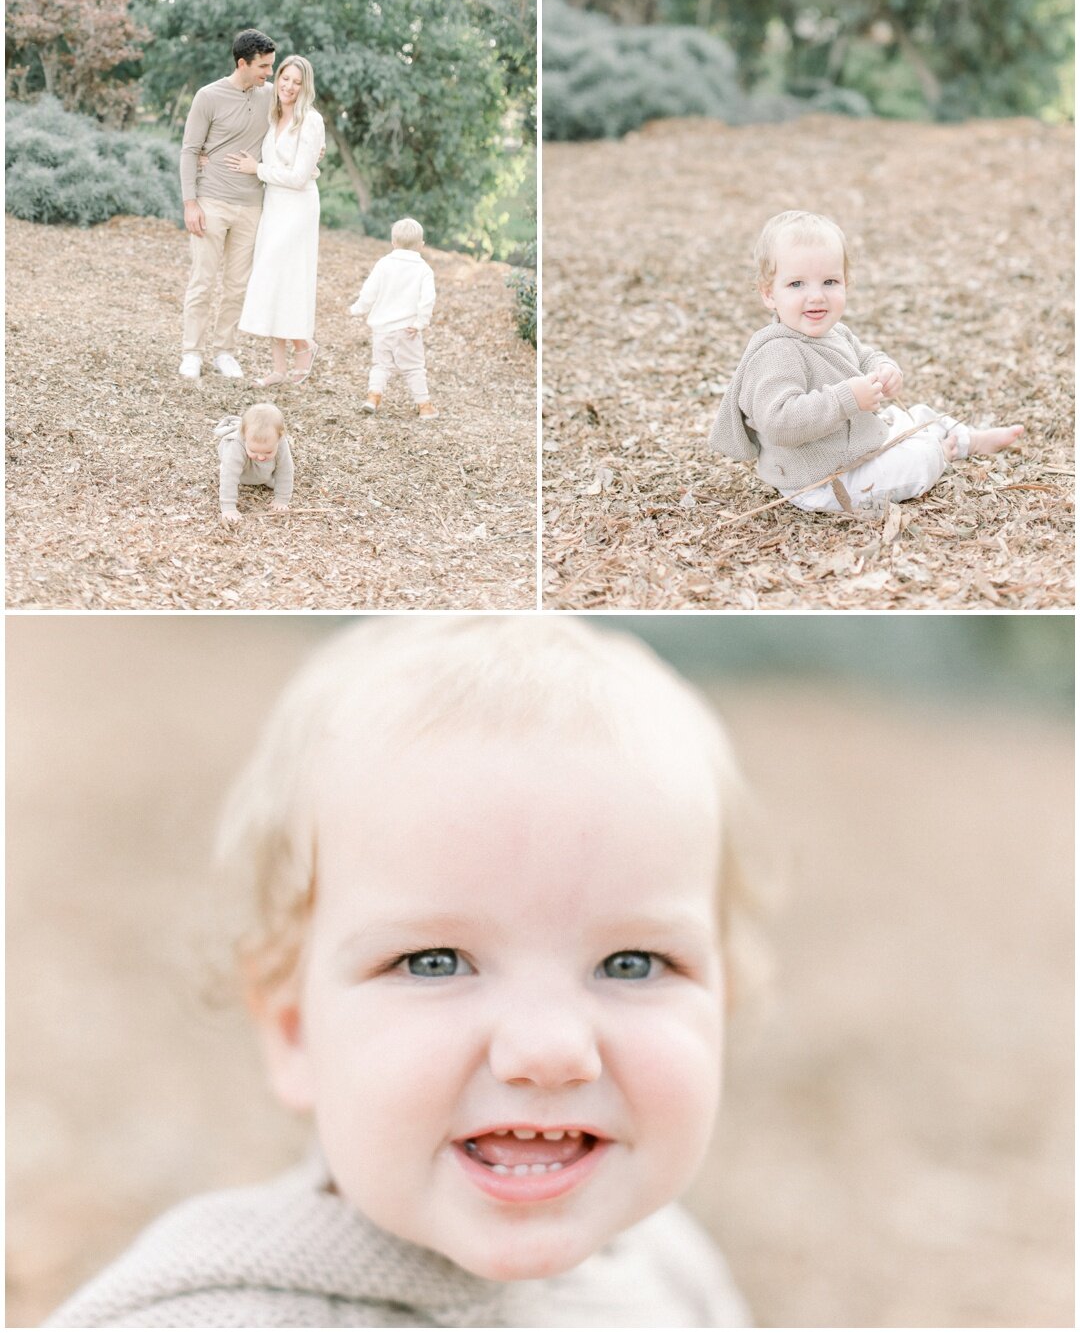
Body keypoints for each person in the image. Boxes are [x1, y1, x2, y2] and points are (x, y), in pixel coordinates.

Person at [48, 614, 759, 1327]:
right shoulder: (206, 1311)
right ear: (294, 1030)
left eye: (632, 963)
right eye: (434, 961)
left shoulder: (673, 1272)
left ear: (723, 1000)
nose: (550, 1050)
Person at [710, 209, 1023, 513]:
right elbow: (780, 423)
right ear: (769, 294)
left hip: (852, 450)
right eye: (796, 284)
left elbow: (866, 357)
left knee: (916, 415)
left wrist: (883, 369)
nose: (816, 296)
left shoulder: (835, 333)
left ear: (846, 282)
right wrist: (848, 398)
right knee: (914, 460)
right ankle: (939, 455)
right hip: (821, 482)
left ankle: (970, 439)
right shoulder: (777, 353)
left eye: (829, 282)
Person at [178, 28, 276, 383]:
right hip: (211, 201)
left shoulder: (271, 96)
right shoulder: (208, 96)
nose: (269, 73)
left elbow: (293, 127)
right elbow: (190, 150)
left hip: (251, 206)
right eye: (263, 66)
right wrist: (191, 204)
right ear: (242, 63)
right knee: (202, 281)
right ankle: (192, 352)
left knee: (237, 285)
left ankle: (224, 352)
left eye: (271, 66)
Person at [235, 56, 325, 386]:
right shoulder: (272, 116)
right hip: (273, 204)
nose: (288, 86)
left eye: (297, 82)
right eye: (284, 79)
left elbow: (300, 177)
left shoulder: (311, 121)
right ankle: (279, 368)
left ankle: (304, 345)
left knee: (287, 278)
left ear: (306, 87)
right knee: (273, 280)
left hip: (298, 207)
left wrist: (256, 170)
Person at [351, 218, 437, 418]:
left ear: (393, 242)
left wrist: (359, 308)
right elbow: (428, 299)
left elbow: (369, 291)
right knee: (414, 367)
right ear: (421, 245)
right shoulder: (423, 269)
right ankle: (424, 406)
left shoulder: (384, 264)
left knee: (381, 364)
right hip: (408, 329)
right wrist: (420, 323)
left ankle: (373, 397)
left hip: (382, 329)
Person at [216, 402, 294, 526]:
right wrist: (228, 508)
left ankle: (263, 476)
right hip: (243, 472)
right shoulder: (236, 445)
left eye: (268, 451)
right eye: (253, 450)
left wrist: (282, 500)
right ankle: (252, 471)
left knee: (276, 480)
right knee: (230, 469)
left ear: (279, 437)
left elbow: (285, 469)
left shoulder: (280, 441)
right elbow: (229, 477)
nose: (261, 457)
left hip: (265, 472)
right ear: (244, 436)